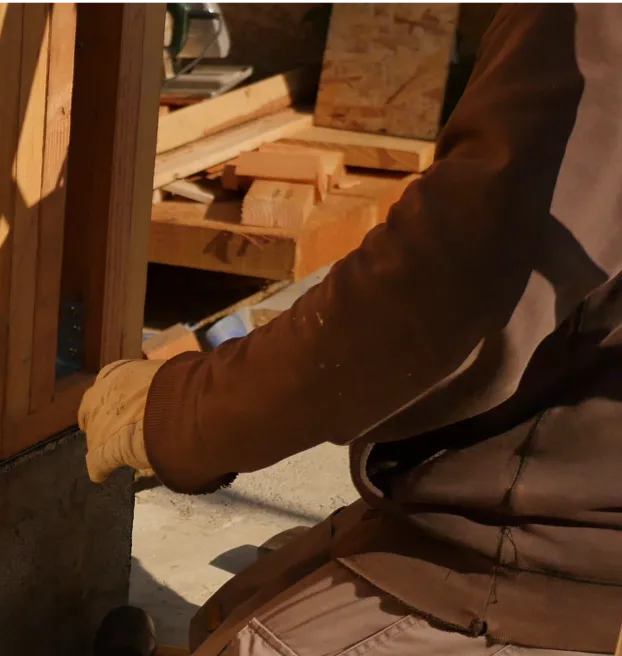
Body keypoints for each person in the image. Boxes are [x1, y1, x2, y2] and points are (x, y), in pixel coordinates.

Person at [77, 3, 622, 655]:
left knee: (251, 642)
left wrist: (184, 416)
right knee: (236, 608)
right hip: (578, 504)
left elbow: (452, 283)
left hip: (554, 560)